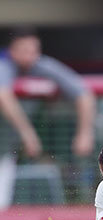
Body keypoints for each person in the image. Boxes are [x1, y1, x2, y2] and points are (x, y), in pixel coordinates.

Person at [0, 26, 96, 209]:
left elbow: (83, 93)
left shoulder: (41, 65)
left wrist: (85, 133)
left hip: (6, 148)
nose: (30, 56)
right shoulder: (4, 64)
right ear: (12, 51)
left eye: (33, 50)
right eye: (24, 50)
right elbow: (3, 96)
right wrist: (27, 134)